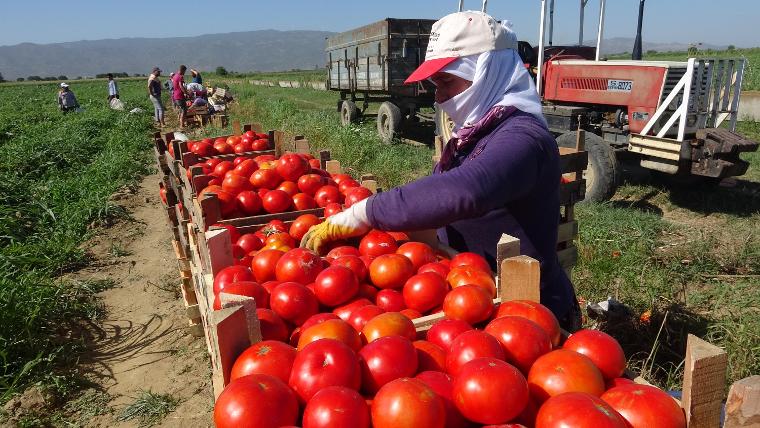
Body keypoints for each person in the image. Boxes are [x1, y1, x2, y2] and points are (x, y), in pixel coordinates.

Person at [301, 11, 580, 330]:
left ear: (488, 72)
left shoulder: (524, 138)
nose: (438, 95)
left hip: (529, 313)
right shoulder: (474, 133)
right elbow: (440, 193)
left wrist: (365, 212)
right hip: (476, 294)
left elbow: (466, 191)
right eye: (435, 83)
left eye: (446, 81)